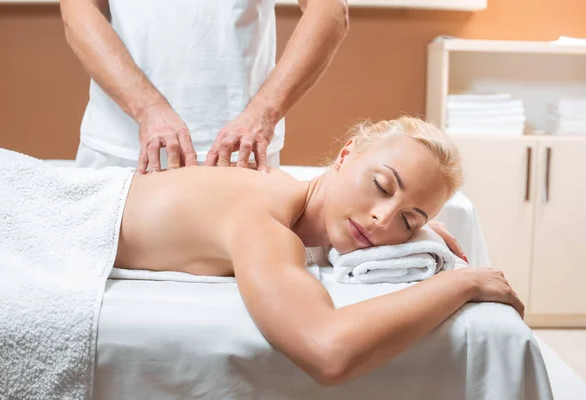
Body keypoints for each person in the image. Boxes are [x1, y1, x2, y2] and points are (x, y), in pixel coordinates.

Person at [112, 116, 524, 385]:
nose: (382, 218)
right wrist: (462, 283)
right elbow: (327, 351)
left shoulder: (281, 185)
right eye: (382, 185)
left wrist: (421, 228)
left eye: (408, 219)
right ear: (345, 155)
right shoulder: (264, 224)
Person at [59, 0, 350, 173]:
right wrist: (147, 109)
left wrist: (264, 113)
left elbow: (330, 11)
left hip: (241, 154)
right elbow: (78, 10)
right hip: (120, 150)